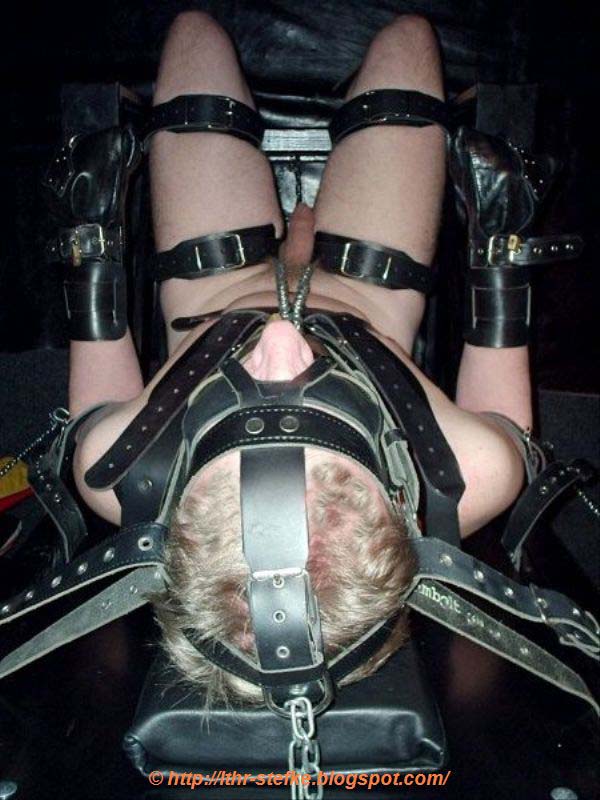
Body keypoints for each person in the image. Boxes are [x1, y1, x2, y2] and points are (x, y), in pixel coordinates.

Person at [66, 11, 530, 705]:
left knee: (194, 32)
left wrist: (92, 237)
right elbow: (508, 426)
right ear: (395, 500)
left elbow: (96, 407)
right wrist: (500, 245)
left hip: (215, 288)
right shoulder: (470, 477)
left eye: (237, 424)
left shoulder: (119, 475)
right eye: (323, 415)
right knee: (408, 39)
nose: (281, 341)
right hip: (366, 290)